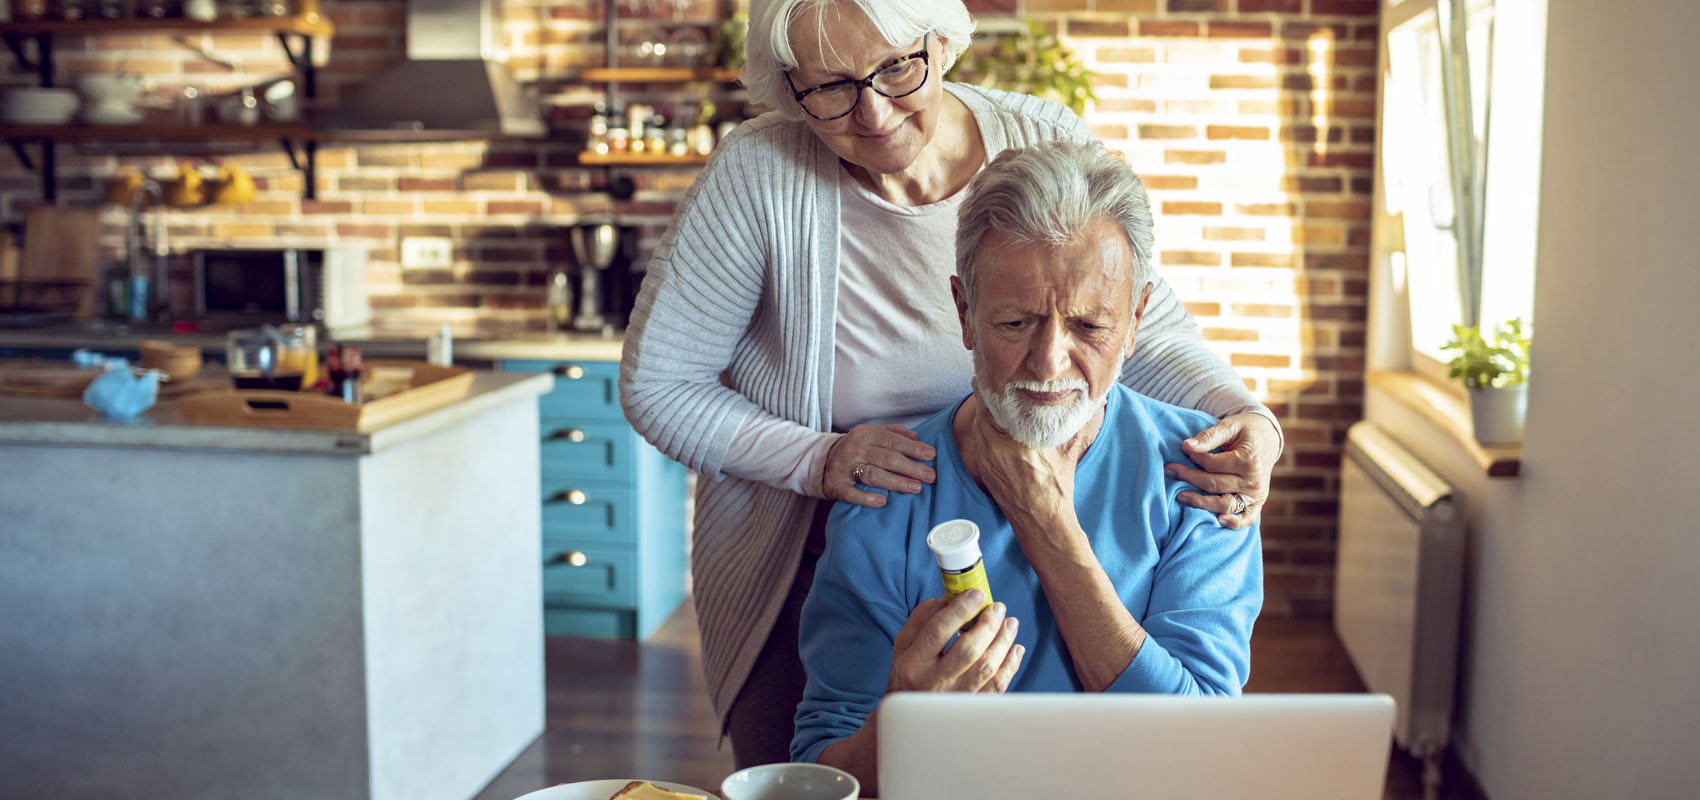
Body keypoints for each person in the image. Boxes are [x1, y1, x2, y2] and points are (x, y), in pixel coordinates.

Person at [618, 0, 1280, 766]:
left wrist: (1245, 417)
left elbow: (1137, 314)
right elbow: (660, 385)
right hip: (841, 522)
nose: (871, 111)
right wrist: (819, 460)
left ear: (939, 40)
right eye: (829, 88)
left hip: (1036, 480)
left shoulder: (1043, 139)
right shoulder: (761, 176)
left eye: (898, 66)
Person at [790, 141, 1264, 793]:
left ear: (1135, 323)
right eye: (1015, 322)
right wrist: (905, 721)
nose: (1048, 363)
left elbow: (1197, 749)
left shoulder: (1204, 479)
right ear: (965, 314)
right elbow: (818, 774)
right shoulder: (889, 492)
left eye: (1089, 327)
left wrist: (1046, 520)